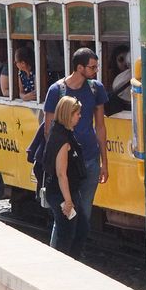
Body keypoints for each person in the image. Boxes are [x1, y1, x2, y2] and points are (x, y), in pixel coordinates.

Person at [43, 47, 108, 252]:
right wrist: (60, 158)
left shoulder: (96, 89)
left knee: (84, 213)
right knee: (65, 213)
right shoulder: (57, 90)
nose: (96, 70)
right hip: (67, 163)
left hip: (89, 158)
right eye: (92, 67)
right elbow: (49, 130)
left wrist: (104, 162)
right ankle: (59, 257)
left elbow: (100, 126)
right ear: (79, 68)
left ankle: (75, 256)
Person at [43, 95, 89, 258]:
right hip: (62, 193)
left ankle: (73, 260)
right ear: (68, 115)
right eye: (77, 113)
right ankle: (66, 265)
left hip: (69, 191)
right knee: (67, 233)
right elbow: (61, 173)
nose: (80, 116)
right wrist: (68, 200)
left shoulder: (64, 132)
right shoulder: (62, 139)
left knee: (81, 228)